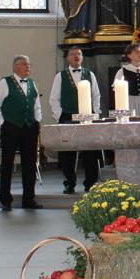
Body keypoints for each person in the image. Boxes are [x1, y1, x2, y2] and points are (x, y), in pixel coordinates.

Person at [0, 55, 43, 210]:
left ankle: (29, 199)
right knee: (7, 164)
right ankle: (6, 200)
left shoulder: (32, 83)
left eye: (29, 64)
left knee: (30, 164)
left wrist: (37, 121)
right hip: (11, 127)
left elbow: (36, 105)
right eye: (24, 64)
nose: (28, 67)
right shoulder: (4, 82)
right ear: (15, 67)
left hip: (29, 127)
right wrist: (3, 123)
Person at [49, 48, 102, 194]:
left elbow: (96, 95)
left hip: (88, 117)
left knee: (90, 151)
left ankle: (90, 183)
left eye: (79, 54)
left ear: (83, 57)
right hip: (67, 117)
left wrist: (95, 112)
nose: (76, 56)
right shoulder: (60, 76)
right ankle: (69, 183)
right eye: (73, 54)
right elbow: (54, 98)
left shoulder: (90, 74)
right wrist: (61, 116)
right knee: (68, 153)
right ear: (67, 58)